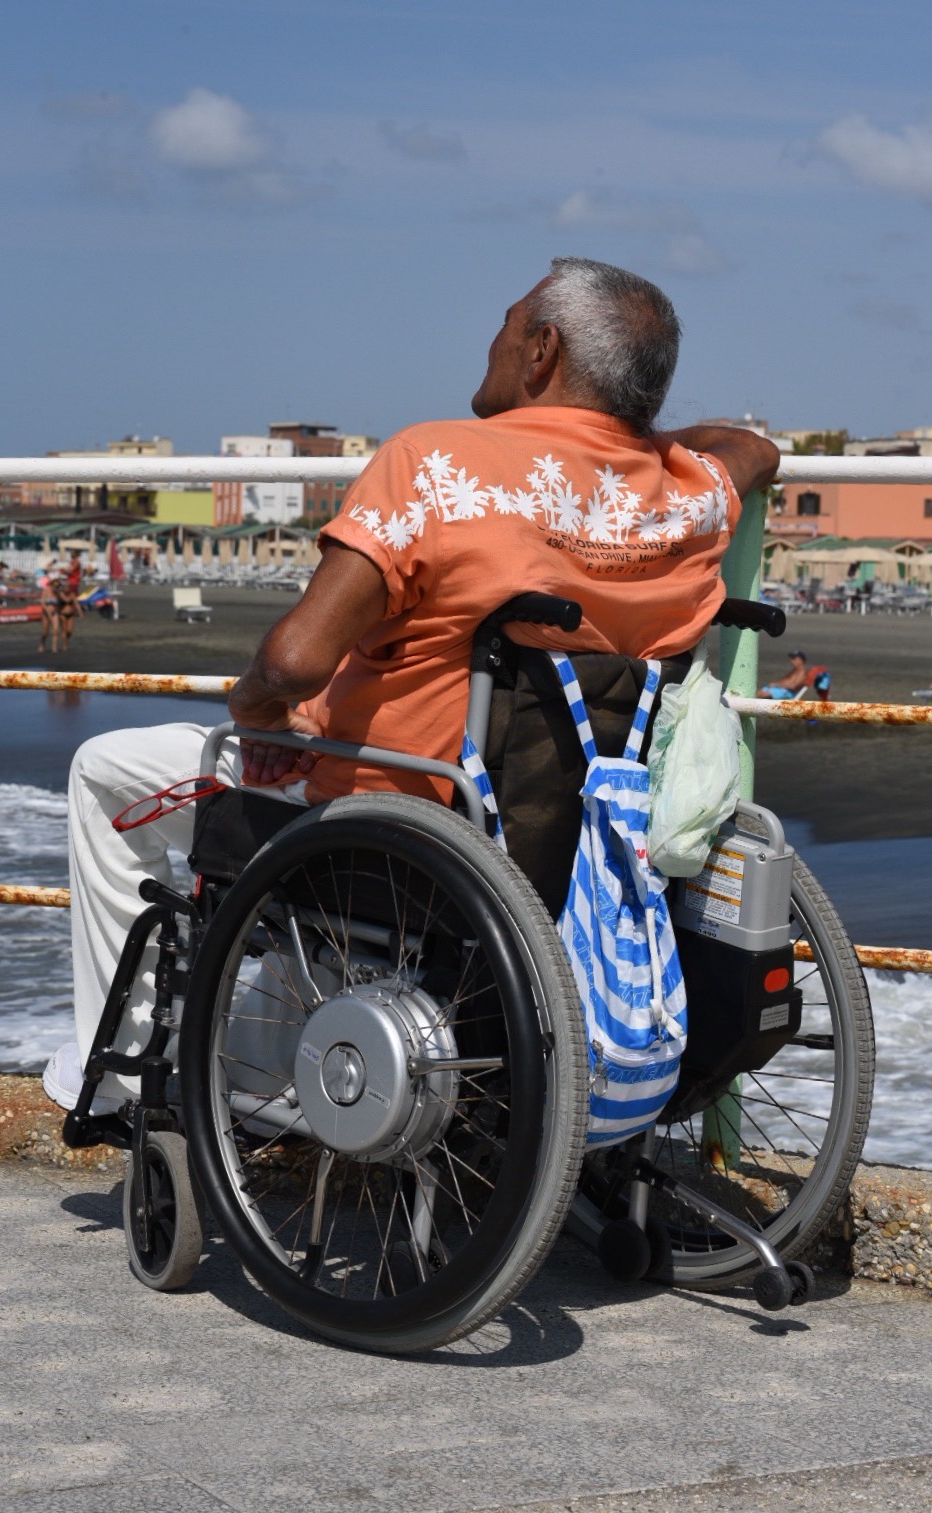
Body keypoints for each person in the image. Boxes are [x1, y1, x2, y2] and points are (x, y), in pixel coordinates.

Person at [43, 256, 779, 1111]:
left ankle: (110, 1072)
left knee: (104, 768)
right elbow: (753, 449)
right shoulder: (687, 494)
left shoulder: (436, 464)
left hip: (393, 816)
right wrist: (651, 443)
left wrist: (255, 713)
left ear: (541, 350)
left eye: (505, 324)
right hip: (571, 842)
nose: (491, 341)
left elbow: (293, 661)